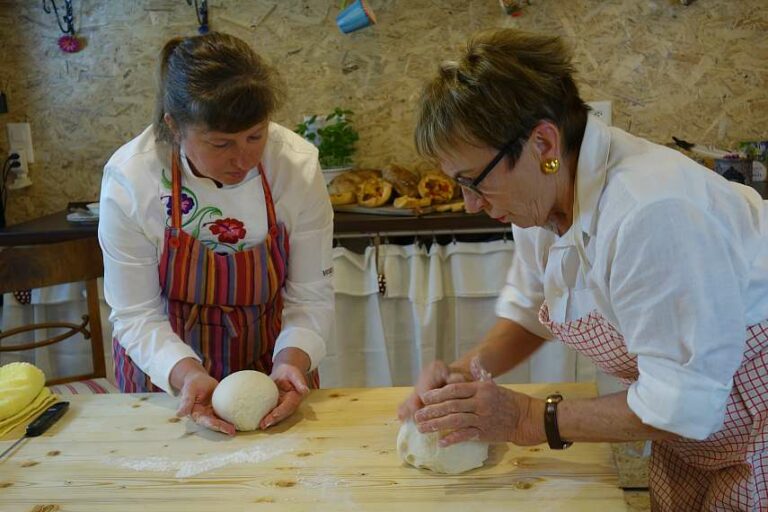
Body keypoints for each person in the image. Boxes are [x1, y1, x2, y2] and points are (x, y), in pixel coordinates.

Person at [399, 28, 768, 511]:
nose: (470, 204)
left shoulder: (650, 212)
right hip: (697, 437)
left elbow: (684, 402)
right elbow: (533, 311)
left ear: (543, 143)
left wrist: (527, 418)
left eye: (475, 182)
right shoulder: (540, 199)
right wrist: (465, 375)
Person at [99, 32, 334, 435]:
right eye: (221, 143)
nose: (243, 158)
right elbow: (136, 312)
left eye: (255, 136)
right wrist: (186, 373)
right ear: (174, 127)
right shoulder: (133, 180)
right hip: (168, 381)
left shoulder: (295, 166)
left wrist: (291, 362)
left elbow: (310, 293)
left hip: (271, 366)